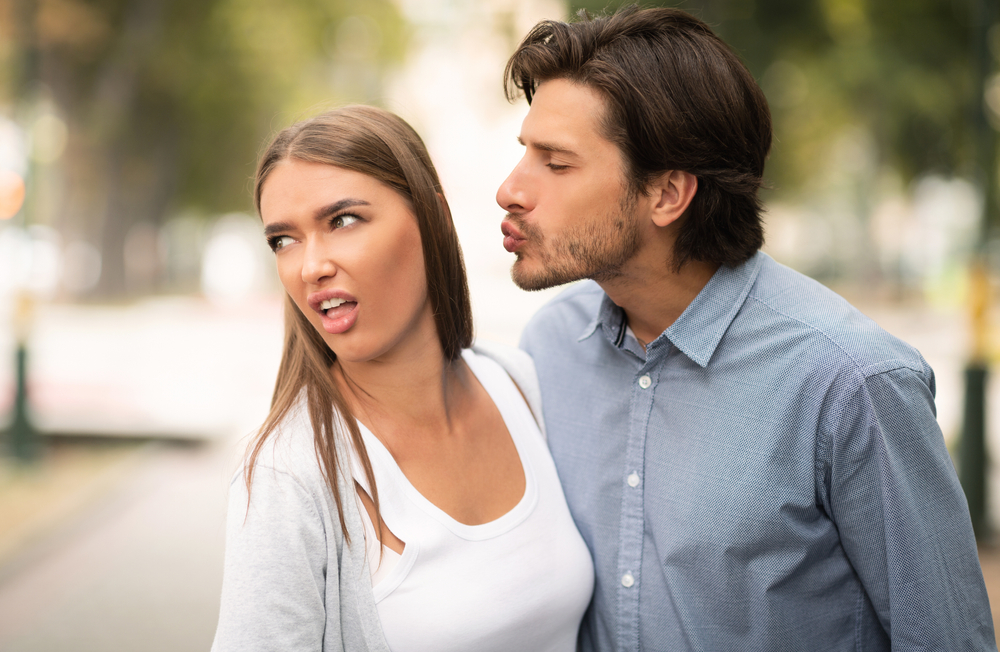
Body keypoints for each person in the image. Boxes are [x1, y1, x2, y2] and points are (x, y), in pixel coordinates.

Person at [496, 6, 995, 651]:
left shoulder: (852, 382)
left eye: (556, 163)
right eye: (524, 154)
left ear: (668, 194)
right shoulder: (550, 347)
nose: (510, 189)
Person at [212, 105, 593, 652]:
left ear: (433, 217)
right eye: (284, 240)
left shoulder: (519, 384)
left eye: (342, 220)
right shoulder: (288, 475)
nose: (310, 266)